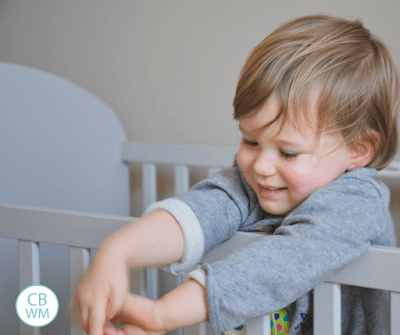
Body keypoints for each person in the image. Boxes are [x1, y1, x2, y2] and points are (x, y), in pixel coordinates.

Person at [74, 14, 400, 335]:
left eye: (288, 152)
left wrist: (162, 314)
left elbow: (283, 264)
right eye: (250, 140)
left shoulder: (357, 204)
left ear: (358, 150)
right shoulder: (257, 185)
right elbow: (201, 211)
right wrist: (117, 252)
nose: (260, 166)